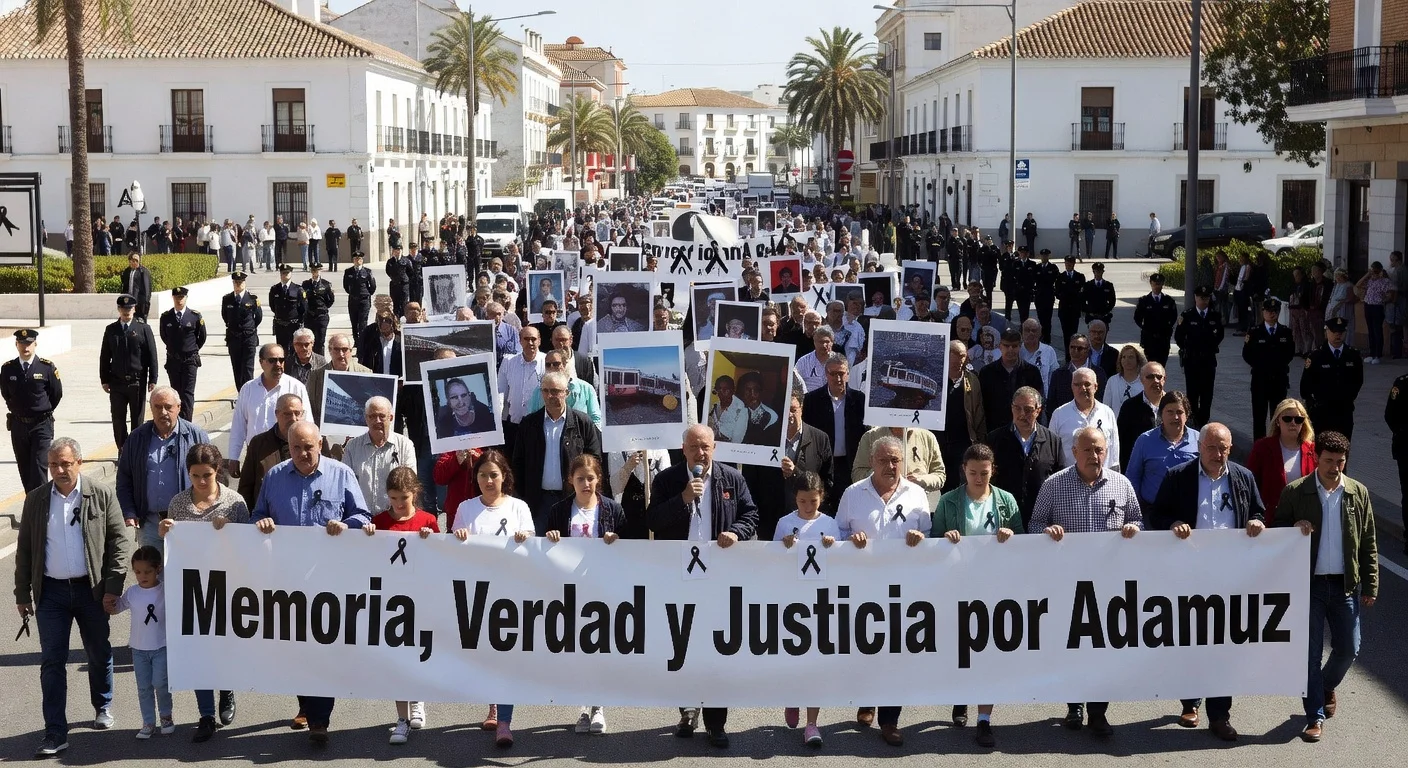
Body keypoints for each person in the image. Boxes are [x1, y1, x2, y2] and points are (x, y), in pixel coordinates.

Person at [250, 421, 371, 744]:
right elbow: (257, 515)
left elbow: (363, 516)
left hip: (329, 580)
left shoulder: (341, 474)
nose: (304, 453)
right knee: (296, 651)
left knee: (323, 650)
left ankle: (319, 720)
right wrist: (261, 521)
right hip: (287, 582)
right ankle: (307, 705)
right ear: (288, 448)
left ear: (321, 444)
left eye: (309, 446)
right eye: (296, 448)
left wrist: (345, 525)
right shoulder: (274, 477)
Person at [1149, 422, 1265, 741]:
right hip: (1189, 576)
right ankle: (1190, 701)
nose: (1218, 454)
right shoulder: (1178, 477)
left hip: (1230, 578)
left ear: (1230, 449)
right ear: (1200, 447)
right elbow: (1156, 516)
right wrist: (1172, 523)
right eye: (1212, 447)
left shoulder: (1243, 477)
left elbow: (1259, 511)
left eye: (1224, 448)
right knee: (1192, 642)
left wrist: (1257, 521)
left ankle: (1220, 714)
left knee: (1224, 647)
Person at [15, 437, 130, 757]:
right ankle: (55, 732)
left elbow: (120, 542)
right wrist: (22, 592)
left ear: (79, 463)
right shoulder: (36, 500)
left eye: (66, 463)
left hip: (90, 590)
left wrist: (112, 586)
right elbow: (24, 550)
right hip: (50, 592)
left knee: (98, 650)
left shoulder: (101, 494)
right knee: (52, 660)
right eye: (54, 464)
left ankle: (102, 704)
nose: (60, 470)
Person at [647, 425, 759, 747]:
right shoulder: (668, 480)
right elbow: (652, 521)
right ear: (683, 449)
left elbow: (751, 513)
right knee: (683, 647)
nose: (701, 453)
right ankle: (687, 712)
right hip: (679, 576)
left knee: (715, 649)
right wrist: (683, 498)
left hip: (718, 578)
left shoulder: (731, 479)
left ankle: (716, 722)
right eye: (695, 447)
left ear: (715, 448)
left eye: (707, 447)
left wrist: (736, 531)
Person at [1029, 427, 1141, 736]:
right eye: (1088, 450)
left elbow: (1138, 519)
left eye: (1100, 450)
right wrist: (1046, 532)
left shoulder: (1121, 484)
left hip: (1110, 583)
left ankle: (1098, 713)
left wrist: (1133, 527)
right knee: (1073, 645)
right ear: (1074, 452)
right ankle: (1074, 705)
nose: (1095, 456)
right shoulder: (1054, 485)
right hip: (1068, 581)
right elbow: (1035, 521)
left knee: (1104, 647)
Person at [1274, 431, 1377, 743]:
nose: (1335, 467)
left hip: (1346, 585)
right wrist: (1293, 528)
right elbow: (1276, 533)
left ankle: (1323, 685)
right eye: (1329, 460)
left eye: (1340, 461)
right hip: (1310, 585)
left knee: (1349, 648)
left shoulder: (1357, 492)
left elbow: (1369, 541)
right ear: (1316, 457)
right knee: (1311, 652)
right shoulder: (1296, 492)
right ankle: (1314, 716)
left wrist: (1370, 582)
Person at [834, 436, 931, 745]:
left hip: (904, 589)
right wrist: (851, 540)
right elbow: (837, 533)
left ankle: (890, 720)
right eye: (884, 460)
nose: (891, 466)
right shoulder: (853, 494)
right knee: (867, 646)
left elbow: (932, 537)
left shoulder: (916, 494)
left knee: (896, 652)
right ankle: (866, 699)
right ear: (872, 462)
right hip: (864, 586)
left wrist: (921, 537)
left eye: (896, 460)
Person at [934, 442, 1021, 747]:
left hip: (995, 589)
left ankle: (984, 719)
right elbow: (934, 543)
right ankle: (961, 697)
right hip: (959, 586)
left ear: (992, 470)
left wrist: (1011, 535)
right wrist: (946, 539)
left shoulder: (1006, 502)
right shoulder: (948, 502)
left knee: (989, 652)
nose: (979, 479)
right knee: (962, 649)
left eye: (984, 473)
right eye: (973, 473)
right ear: (964, 471)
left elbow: (1022, 543)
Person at [157, 443, 246, 741]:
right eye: (195, 475)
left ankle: (228, 689)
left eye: (206, 475)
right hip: (192, 589)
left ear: (217, 471)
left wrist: (232, 529)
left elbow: (249, 549)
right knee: (198, 651)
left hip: (228, 589)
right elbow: (173, 549)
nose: (201, 481)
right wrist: (166, 533)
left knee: (224, 648)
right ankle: (206, 714)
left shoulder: (234, 503)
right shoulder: (179, 503)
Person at [450, 449, 537, 747]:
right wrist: (457, 537)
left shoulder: (519, 508)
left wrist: (526, 539)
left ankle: (505, 723)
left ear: (504, 477)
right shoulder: (465, 508)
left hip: (511, 595)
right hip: (478, 594)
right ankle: (493, 703)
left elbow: (532, 553)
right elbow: (451, 553)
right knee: (486, 655)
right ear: (476, 478)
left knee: (506, 657)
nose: (489, 480)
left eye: (494, 475)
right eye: (483, 475)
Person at [543, 454, 625, 736]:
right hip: (570, 591)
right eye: (580, 479)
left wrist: (617, 540)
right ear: (570, 481)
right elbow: (545, 546)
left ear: (598, 479)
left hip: (602, 590)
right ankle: (582, 708)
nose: (586, 484)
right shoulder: (559, 510)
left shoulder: (612, 510)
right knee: (577, 651)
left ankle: (598, 706)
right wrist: (551, 536)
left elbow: (631, 549)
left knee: (599, 648)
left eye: (590, 479)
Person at [362, 466, 438, 744]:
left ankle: (417, 699)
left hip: (420, 598)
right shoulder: (379, 520)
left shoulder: (428, 520)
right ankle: (402, 719)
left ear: (415, 493)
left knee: (416, 655)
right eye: (393, 498)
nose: (398, 504)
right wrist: (368, 536)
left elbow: (442, 560)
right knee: (396, 659)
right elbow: (369, 560)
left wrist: (433, 541)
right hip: (390, 602)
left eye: (403, 498)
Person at [773, 470, 837, 748]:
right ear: (795, 499)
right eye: (802, 502)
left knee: (817, 663)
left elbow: (847, 564)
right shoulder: (784, 523)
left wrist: (835, 547)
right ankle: (791, 695)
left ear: (821, 497)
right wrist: (783, 548)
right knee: (794, 657)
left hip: (822, 602)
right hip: (792, 603)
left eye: (813, 501)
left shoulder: (832, 525)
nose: (808, 507)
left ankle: (812, 723)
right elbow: (769, 562)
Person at [114, 387, 209, 550]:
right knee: (153, 574)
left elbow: (214, 477)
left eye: (168, 406)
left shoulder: (195, 436)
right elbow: (124, 478)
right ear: (151, 409)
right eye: (157, 407)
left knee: (184, 573)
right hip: (150, 525)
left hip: (187, 523)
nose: (163, 412)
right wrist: (129, 511)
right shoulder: (137, 438)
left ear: (178, 407)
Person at [512, 370, 604, 532]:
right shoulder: (529, 424)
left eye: (555, 391)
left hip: (573, 501)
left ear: (566, 393)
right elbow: (518, 464)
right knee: (538, 551)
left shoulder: (583, 423)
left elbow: (594, 461)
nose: (549, 395)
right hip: (538, 503)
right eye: (545, 391)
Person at [107, 545, 173, 739]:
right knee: (143, 686)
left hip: (161, 645)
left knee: (161, 683)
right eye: (137, 572)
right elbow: (118, 606)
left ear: (158, 569)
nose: (142, 576)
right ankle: (148, 722)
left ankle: (166, 716)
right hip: (138, 648)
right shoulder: (133, 592)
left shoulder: (165, 591)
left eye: (147, 572)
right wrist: (110, 603)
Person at [227, 344, 312, 478]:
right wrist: (233, 457)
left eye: (281, 360)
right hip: (255, 456)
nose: (278, 364)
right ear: (261, 362)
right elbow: (239, 425)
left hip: (288, 455)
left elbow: (308, 424)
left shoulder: (296, 387)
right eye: (272, 360)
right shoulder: (248, 389)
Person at [2, 329, 62, 493]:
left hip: (41, 424)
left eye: (28, 343)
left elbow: (56, 394)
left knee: (38, 467)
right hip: (19, 425)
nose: (25, 347)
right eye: (22, 343)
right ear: (16, 345)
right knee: (24, 468)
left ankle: (41, 512)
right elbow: (6, 394)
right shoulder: (8, 369)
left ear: (35, 344)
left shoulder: (46, 367)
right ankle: (31, 506)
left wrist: (41, 410)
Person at [99, 295, 159, 450]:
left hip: (136, 381)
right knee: (118, 420)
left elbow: (152, 354)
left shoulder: (143, 328)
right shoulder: (111, 330)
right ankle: (123, 449)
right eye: (123, 309)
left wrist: (153, 378)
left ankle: (136, 449)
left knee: (137, 420)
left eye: (129, 309)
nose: (126, 312)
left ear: (134, 309)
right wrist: (104, 379)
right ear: (119, 310)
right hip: (117, 382)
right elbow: (105, 356)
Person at [1245, 398, 1316, 525]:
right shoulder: (1262, 448)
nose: (1293, 423)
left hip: (1304, 521)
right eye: (1287, 419)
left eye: (1298, 419)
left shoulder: (1313, 450)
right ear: (1278, 421)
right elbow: (1250, 484)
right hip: (1271, 520)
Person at [343, 397, 417, 517]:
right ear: (366, 419)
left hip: (393, 518)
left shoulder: (405, 445)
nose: (377, 421)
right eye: (372, 416)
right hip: (361, 519)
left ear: (391, 418)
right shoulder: (352, 447)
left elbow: (410, 485)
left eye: (382, 416)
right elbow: (345, 485)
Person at [1125, 391, 1198, 508]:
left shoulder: (1199, 440)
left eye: (1180, 412)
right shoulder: (1145, 440)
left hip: (1188, 511)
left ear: (1187, 415)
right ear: (1161, 414)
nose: (1175, 417)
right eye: (1170, 412)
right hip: (1152, 510)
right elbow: (1133, 476)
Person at [802, 356, 866, 483]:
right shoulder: (811, 400)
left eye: (841, 374)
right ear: (826, 374)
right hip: (820, 467)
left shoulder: (860, 400)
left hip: (850, 465)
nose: (837, 378)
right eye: (833, 374)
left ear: (848, 374)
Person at [1301, 317, 1364, 439]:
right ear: (1327, 332)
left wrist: (1348, 398)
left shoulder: (1353, 355)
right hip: (1322, 412)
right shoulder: (1316, 356)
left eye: (1341, 332)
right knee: (1322, 451)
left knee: (1343, 450)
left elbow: (1358, 380)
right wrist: (1313, 406)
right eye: (1334, 332)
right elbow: (1305, 386)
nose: (1337, 335)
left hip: (1344, 411)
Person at [1242, 297, 1296, 438]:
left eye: (1275, 311)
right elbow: (1247, 354)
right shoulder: (1254, 332)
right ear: (1263, 312)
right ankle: (1259, 448)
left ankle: (1276, 446)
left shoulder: (1285, 332)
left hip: (1279, 380)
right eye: (1269, 311)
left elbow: (1289, 353)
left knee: (1278, 416)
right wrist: (1261, 365)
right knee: (1259, 417)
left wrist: (1277, 364)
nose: (1272, 314)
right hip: (1260, 380)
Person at [1048, 368, 1119, 469]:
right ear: (1072, 387)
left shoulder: (1107, 413)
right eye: (1077, 385)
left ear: (1096, 386)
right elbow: (1051, 453)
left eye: (1087, 384)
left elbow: (1114, 455)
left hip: (1103, 479)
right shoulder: (1059, 414)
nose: (1082, 388)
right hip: (1068, 480)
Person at [1174, 285, 1224, 427]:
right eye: (1201, 297)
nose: (1204, 300)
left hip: (1208, 360)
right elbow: (1179, 337)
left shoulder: (1215, 316)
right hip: (1192, 360)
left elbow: (1219, 335)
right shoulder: (1187, 316)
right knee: (1193, 393)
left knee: (1207, 393)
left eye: (1206, 297)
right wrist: (1188, 348)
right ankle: (1193, 420)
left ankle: (1204, 420)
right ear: (1195, 298)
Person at [977, 328, 1044, 431]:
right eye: (1006, 346)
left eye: (1014, 346)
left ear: (1020, 347)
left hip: (1024, 430)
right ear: (1000, 346)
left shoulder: (1032, 372)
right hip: (994, 431)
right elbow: (981, 405)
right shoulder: (987, 373)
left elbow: (1039, 402)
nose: (1010, 350)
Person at [497, 326, 546, 454]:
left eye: (533, 339)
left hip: (539, 427)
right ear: (520, 341)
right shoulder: (508, 362)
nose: (530, 342)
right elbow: (500, 392)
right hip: (514, 425)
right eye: (526, 339)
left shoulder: (547, 362)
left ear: (539, 341)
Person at [306, 334, 371, 423]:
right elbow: (311, 408)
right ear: (329, 350)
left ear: (351, 351)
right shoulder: (316, 376)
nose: (341, 354)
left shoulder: (365, 373)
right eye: (336, 349)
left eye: (344, 350)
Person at [1116, 362, 1166, 470]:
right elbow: (1122, 443)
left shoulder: (1173, 406)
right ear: (1141, 380)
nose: (1156, 381)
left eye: (1159, 377)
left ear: (1164, 379)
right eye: (1150, 377)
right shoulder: (1129, 407)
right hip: (1140, 468)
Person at [1046, 334, 1106, 414]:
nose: (1075, 351)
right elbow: (1051, 404)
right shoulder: (1058, 374)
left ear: (1088, 350)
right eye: (1072, 347)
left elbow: (1103, 399)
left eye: (1080, 348)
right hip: (1065, 421)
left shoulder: (1099, 373)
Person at [221, 272, 262, 390]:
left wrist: (249, 328)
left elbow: (258, 317)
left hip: (248, 338)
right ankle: (241, 393)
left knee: (248, 368)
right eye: (236, 282)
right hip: (234, 338)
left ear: (245, 283)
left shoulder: (252, 299)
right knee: (237, 368)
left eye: (240, 282)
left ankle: (249, 393)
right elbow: (225, 316)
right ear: (233, 283)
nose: (238, 284)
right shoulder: (227, 299)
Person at [1133, 273, 1178, 365]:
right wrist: (1145, 328)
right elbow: (1137, 317)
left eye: (1160, 283)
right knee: (1148, 366)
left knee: (1161, 366)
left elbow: (1173, 317)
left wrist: (1167, 327)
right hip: (1149, 339)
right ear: (1151, 283)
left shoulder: (1168, 301)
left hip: (1163, 339)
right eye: (1155, 283)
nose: (1157, 286)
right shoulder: (1144, 301)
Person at [302, 262, 336, 355]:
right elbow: (303, 299)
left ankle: (320, 362)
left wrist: (323, 308)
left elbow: (330, 300)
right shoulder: (305, 284)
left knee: (320, 341)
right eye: (313, 270)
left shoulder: (326, 284)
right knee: (309, 341)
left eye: (316, 270)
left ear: (320, 271)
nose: (315, 272)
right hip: (309, 316)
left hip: (321, 316)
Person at [1018, 318, 1058, 395]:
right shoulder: (1017, 351)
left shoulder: (1049, 351)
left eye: (1034, 330)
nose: (1031, 333)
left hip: (1043, 398)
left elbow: (1053, 377)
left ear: (1040, 333)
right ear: (1022, 333)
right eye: (1027, 330)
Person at [1101, 344, 1146, 413]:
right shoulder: (1112, 381)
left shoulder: (1145, 381)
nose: (1126, 360)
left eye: (1131, 357)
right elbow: (1106, 407)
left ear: (1138, 359)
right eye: (1123, 357)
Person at [119, 254, 153, 323]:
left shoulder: (143, 271)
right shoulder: (127, 271)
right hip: (129, 301)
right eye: (132, 260)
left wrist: (146, 302)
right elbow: (124, 285)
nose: (134, 262)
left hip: (140, 302)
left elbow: (147, 289)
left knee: (141, 321)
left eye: (136, 261)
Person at [1080, 263, 1116, 327]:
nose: (1098, 273)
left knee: (1103, 335)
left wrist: (1106, 312)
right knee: (1093, 335)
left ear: (1103, 272)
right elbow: (1082, 300)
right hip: (1091, 316)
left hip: (1103, 316)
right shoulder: (1088, 285)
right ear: (1093, 272)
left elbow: (1112, 301)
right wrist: (1088, 311)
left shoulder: (1108, 285)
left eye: (1100, 271)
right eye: (1097, 271)